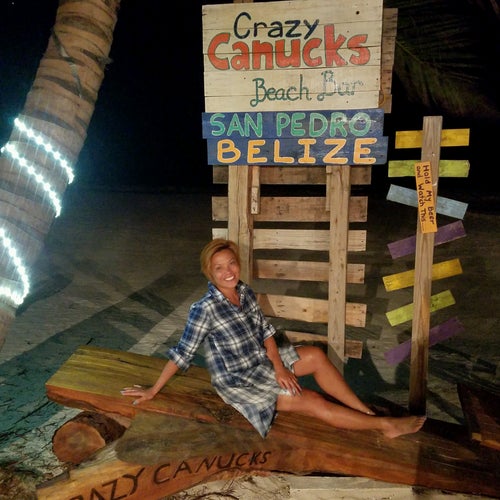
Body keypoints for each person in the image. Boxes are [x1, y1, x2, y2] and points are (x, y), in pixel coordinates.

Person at [121, 238, 426, 439]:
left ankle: (364, 412)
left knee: (316, 355)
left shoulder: (244, 291)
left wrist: (279, 367)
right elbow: (182, 354)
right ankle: (384, 425)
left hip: (262, 362)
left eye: (231, 263)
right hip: (240, 381)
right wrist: (153, 390)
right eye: (219, 268)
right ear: (209, 273)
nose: (228, 271)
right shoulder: (204, 309)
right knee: (312, 400)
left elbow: (266, 332)